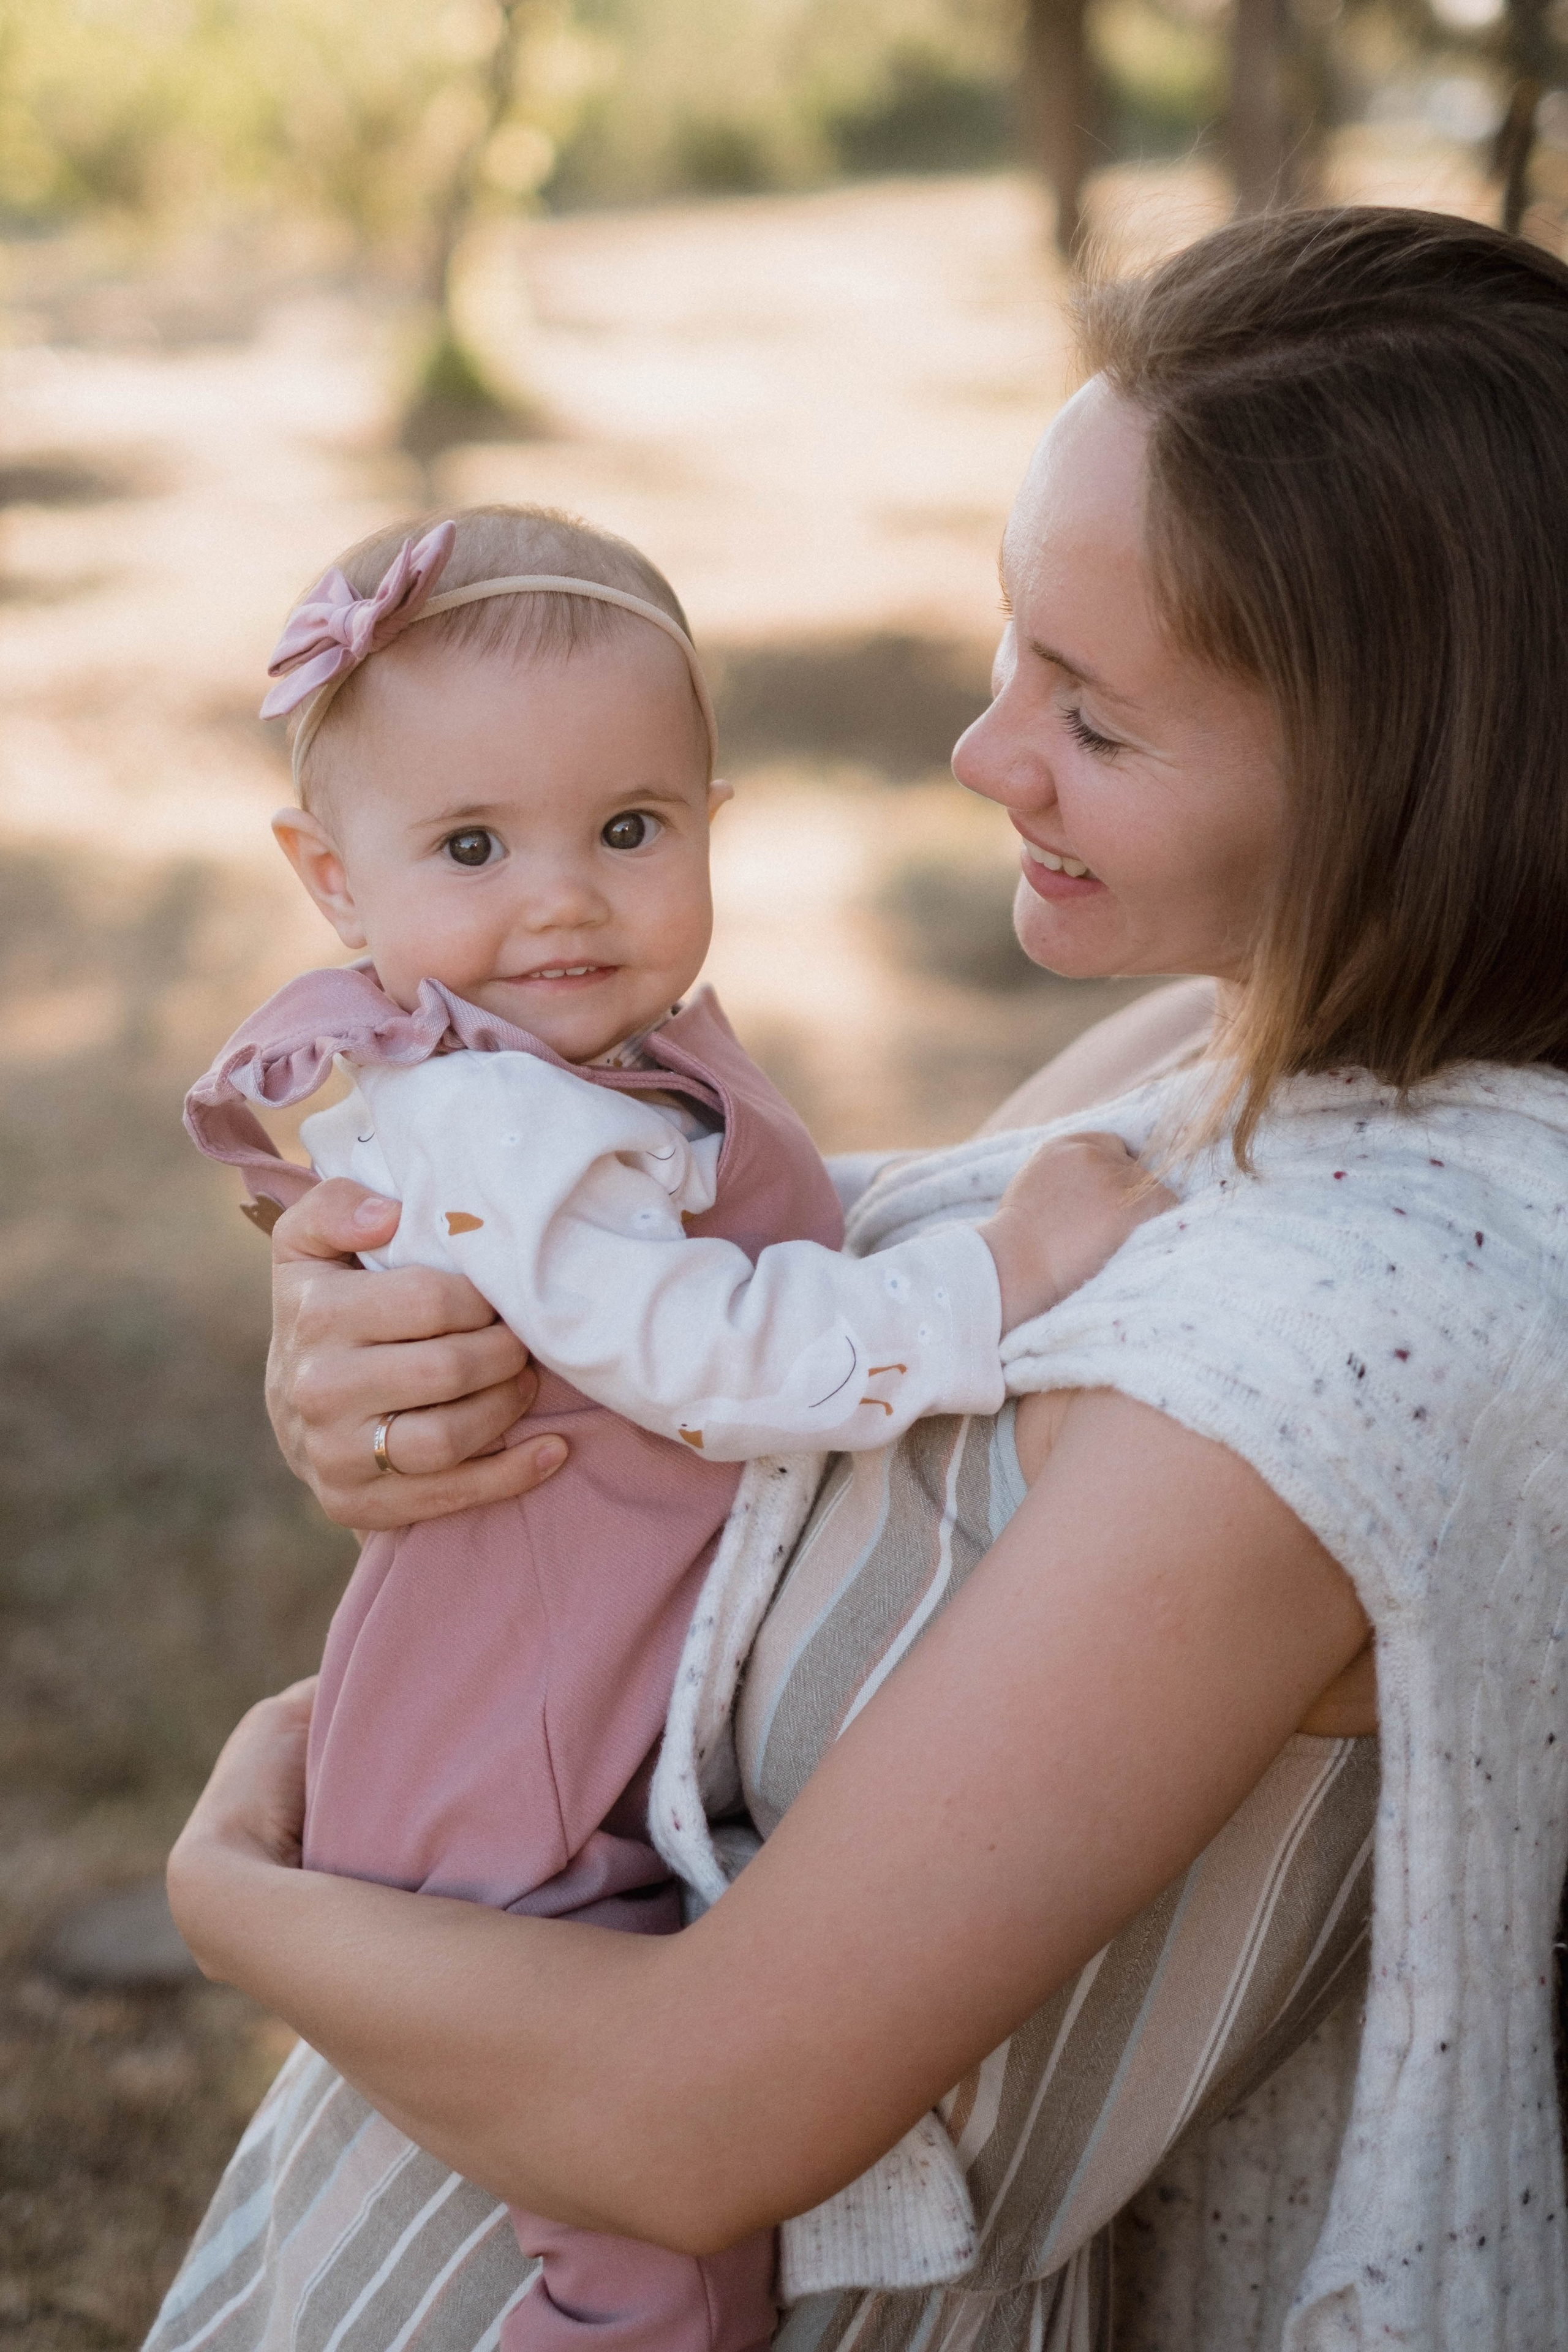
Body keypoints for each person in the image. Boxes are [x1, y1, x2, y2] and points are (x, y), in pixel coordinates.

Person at [152, 206, 1568, 2352]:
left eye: (1091, 715)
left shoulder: (1320, 1366)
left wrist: (233, 1901)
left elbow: (686, 2120)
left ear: (1413, 773)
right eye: (1013, 649)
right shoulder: (1218, 1069)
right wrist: (380, 1334)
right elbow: (741, 1284)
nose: (983, 755)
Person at [179, 502, 1165, 2352]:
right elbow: (717, 1353)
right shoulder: (503, 1123)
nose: (565, 896)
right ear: (334, 879)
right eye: (473, 845)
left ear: (714, 818)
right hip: (505, 1760)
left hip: (553, 1706)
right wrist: (994, 1288)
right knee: (641, 2235)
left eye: (630, 830)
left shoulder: (589, 1066)